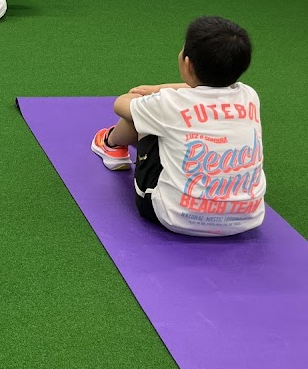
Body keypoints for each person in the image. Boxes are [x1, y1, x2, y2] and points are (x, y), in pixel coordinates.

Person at [91, 16, 265, 237]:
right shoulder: (249, 96)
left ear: (187, 63)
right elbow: (205, 91)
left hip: (173, 216)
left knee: (143, 116)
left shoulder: (169, 103)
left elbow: (121, 105)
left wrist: (148, 94)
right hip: (246, 218)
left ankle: (111, 145)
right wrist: (159, 89)